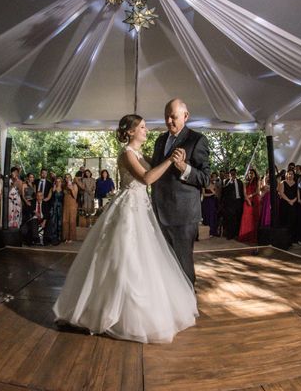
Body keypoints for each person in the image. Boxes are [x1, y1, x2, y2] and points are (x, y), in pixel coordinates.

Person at [53, 114, 197, 343]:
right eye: (141, 127)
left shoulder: (140, 154)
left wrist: (178, 161)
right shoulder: (127, 153)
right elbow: (148, 178)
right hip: (128, 208)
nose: (146, 130)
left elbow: (159, 168)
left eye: (145, 126)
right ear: (130, 132)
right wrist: (170, 160)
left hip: (142, 208)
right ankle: (113, 313)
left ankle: (145, 308)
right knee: (124, 256)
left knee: (144, 258)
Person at [151, 99, 211, 284]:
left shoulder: (197, 140)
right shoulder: (160, 140)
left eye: (173, 117)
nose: (169, 121)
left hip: (183, 216)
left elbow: (205, 179)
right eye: (166, 116)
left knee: (183, 264)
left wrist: (184, 167)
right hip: (159, 212)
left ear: (186, 116)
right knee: (164, 264)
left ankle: (189, 306)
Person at [221, 168, 244, 240]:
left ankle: (237, 234)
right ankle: (230, 235)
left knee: (238, 218)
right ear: (230, 174)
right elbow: (224, 192)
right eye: (232, 173)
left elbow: (242, 193)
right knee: (230, 219)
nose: (233, 174)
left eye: (234, 173)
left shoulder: (240, 182)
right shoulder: (227, 182)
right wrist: (229, 182)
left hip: (238, 202)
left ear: (236, 173)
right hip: (230, 204)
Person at [239, 168, 260, 244]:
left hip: (255, 200)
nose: (251, 174)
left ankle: (253, 237)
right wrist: (247, 200)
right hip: (247, 201)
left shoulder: (257, 181)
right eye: (249, 173)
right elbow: (244, 193)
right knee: (246, 218)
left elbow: (257, 191)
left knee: (254, 218)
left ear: (254, 174)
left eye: (252, 173)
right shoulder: (245, 182)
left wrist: (250, 196)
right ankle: (245, 237)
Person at [278, 169, 297, 241]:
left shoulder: (296, 183)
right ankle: (284, 238)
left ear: (294, 175)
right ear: (286, 175)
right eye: (289, 174)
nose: (290, 175)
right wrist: (289, 200)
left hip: (293, 204)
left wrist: (293, 200)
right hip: (284, 204)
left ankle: (291, 238)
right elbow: (281, 193)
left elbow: (298, 194)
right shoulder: (283, 182)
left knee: (292, 220)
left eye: (292, 174)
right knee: (284, 220)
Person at [201, 172, 220, 236]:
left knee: (212, 216)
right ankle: (207, 232)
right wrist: (212, 193)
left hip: (213, 201)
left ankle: (213, 231)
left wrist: (213, 191)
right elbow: (204, 194)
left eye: (215, 177)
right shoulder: (204, 185)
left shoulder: (215, 185)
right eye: (213, 177)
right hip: (206, 202)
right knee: (207, 215)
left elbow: (217, 195)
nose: (214, 179)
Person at [62, 174, 78, 242]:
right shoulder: (64, 186)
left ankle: (71, 238)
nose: (67, 178)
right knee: (65, 221)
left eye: (68, 177)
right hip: (65, 205)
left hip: (72, 205)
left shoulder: (74, 185)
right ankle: (65, 237)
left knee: (72, 221)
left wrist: (71, 189)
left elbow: (75, 196)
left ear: (71, 178)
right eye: (66, 177)